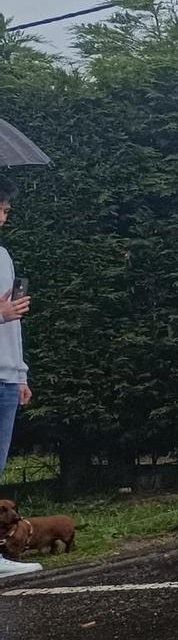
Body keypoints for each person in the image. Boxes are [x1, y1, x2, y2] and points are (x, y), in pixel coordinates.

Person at [0, 179, 39, 579]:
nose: (4, 217)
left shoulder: (3, 257)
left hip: (7, 376)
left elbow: (12, 321)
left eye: (6, 211)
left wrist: (21, 371)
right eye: (1, 209)